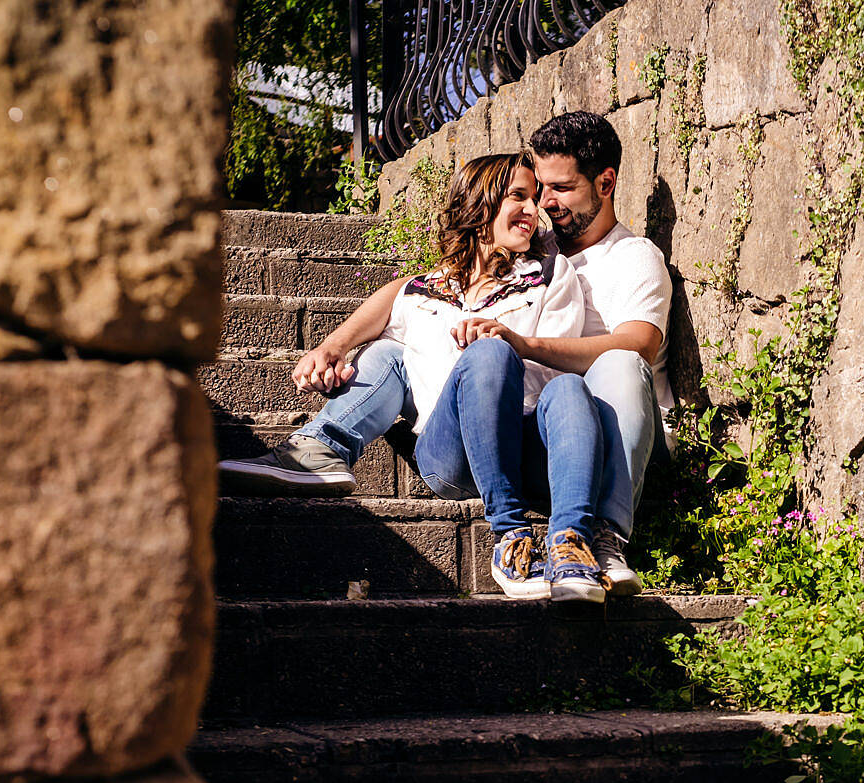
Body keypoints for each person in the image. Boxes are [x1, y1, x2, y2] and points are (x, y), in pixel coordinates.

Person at [219, 152, 609, 603]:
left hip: (524, 445)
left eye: (534, 199)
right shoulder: (427, 290)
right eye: (518, 196)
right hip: (450, 456)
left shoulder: (549, 276)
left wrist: (503, 347)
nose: (533, 209)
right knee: (388, 352)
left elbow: (550, 372)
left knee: (561, 383)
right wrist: (332, 349)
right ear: (480, 201)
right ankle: (324, 450)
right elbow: (391, 300)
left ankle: (570, 547)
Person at [453, 111, 675, 597]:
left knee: (618, 362)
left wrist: (526, 345)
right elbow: (435, 283)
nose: (545, 203)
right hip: (551, 438)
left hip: (625, 442)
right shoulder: (534, 250)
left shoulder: (633, 257)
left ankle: (605, 537)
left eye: (561, 188)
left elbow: (640, 343)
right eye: (540, 189)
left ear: (605, 183)